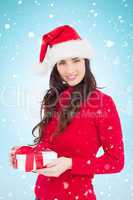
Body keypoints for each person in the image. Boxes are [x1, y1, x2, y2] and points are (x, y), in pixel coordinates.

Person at [10, 25, 125, 200]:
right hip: (41, 196)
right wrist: (28, 154)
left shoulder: (102, 103)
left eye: (75, 60)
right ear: (55, 66)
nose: (69, 70)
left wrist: (70, 164)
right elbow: (49, 149)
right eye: (62, 62)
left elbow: (115, 162)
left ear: (85, 61)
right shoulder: (53, 98)